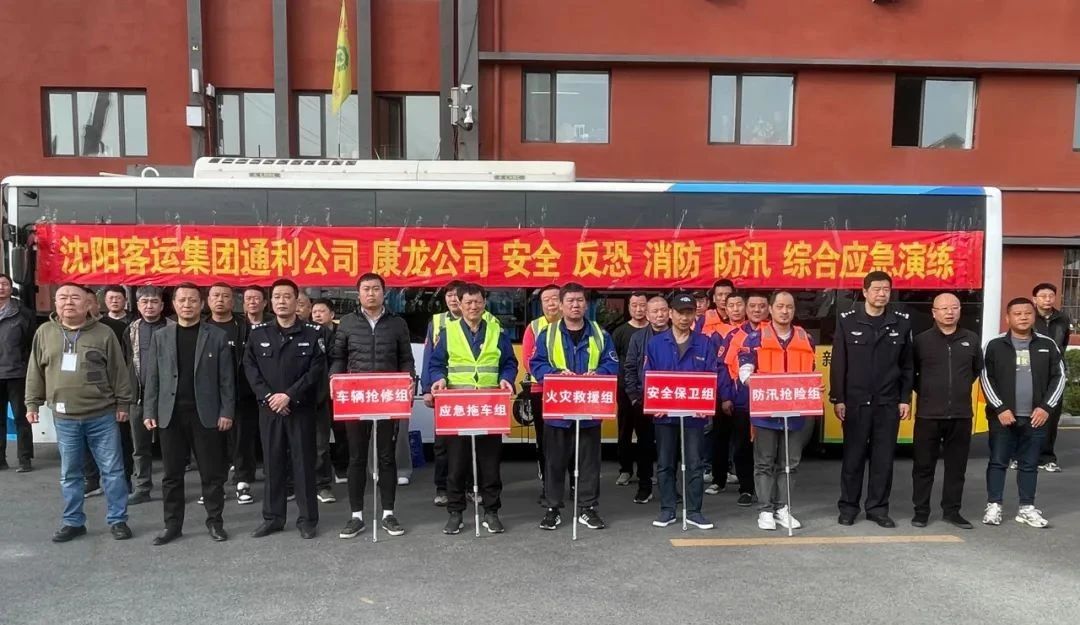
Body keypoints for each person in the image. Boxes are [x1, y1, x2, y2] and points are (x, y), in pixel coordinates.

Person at [25, 283, 134, 543]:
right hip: (65, 418)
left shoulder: (104, 333)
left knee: (113, 471)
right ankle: (73, 521)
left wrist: (123, 404)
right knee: (70, 473)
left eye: (75, 298)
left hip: (102, 415)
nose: (68, 302)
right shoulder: (45, 332)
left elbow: (119, 370)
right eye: (62, 297)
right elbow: (35, 370)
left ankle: (118, 519)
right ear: (55, 303)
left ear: (88, 304)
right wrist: (32, 404)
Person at [143, 283, 235, 545]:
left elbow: (226, 379)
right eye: (182, 300)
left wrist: (227, 411)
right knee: (172, 476)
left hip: (206, 414)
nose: (187, 305)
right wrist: (149, 409)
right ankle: (172, 525)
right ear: (174, 304)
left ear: (201, 304)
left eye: (193, 300)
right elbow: (152, 377)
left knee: (211, 474)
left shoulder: (216, 336)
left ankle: (215, 522)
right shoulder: (161, 336)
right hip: (170, 414)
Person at [330, 273, 415, 539]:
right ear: (358, 294)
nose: (371, 293)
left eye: (376, 289)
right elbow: (338, 358)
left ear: (383, 293)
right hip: (356, 398)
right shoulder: (347, 323)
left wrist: (409, 380)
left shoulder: (397, 323)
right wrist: (334, 380)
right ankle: (356, 516)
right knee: (356, 457)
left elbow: (406, 359)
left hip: (387, 398)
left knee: (386, 456)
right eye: (366, 289)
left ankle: (388, 513)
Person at [429, 283, 518, 535]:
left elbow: (509, 362)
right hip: (458, 406)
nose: (473, 307)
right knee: (456, 463)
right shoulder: (448, 332)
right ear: (459, 303)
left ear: (484, 303)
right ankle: (455, 513)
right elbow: (436, 364)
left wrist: (506, 379)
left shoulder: (496, 331)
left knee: (490, 463)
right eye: (468, 302)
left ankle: (491, 511)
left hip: (489, 406)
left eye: (478, 302)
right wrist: (439, 379)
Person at [243, 279, 329, 539]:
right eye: (277, 297)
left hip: (300, 409)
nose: (282, 301)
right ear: (271, 302)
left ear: (296, 301)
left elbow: (316, 370)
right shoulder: (258, 333)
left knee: (304, 464)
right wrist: (271, 397)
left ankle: (308, 519)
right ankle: (273, 518)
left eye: (287, 296)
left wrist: (289, 396)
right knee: (273, 464)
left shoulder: (313, 333)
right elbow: (251, 369)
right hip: (270, 410)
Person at [531, 283, 619, 531]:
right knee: (554, 462)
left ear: (586, 305)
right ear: (560, 305)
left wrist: (599, 373)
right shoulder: (547, 334)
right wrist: (556, 374)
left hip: (589, 408)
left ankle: (587, 508)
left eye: (580, 300)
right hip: (558, 409)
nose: (575, 305)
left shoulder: (601, 334)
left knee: (589, 462)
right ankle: (553, 509)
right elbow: (536, 364)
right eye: (570, 301)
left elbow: (612, 363)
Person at [831, 271, 914, 528]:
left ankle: (877, 508)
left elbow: (907, 365)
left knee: (883, 459)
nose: (881, 294)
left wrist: (905, 398)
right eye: (876, 289)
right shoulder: (847, 320)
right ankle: (848, 507)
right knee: (853, 458)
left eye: (886, 289)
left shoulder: (900, 323)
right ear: (865, 292)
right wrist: (838, 398)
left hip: (888, 403)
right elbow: (839, 362)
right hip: (856, 402)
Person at [980, 298, 1065, 528]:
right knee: (998, 462)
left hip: (1036, 417)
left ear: (1034, 316)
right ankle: (994, 505)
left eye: (1027, 313)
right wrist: (1000, 408)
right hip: (1003, 417)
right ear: (1007, 318)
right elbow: (986, 378)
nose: (1023, 317)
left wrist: (1046, 407)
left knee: (1029, 464)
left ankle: (1026, 507)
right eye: (1017, 313)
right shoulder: (994, 345)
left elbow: (1059, 377)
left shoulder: (1047, 344)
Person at [737, 291, 818, 532]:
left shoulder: (806, 338)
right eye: (780, 306)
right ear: (770, 310)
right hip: (766, 411)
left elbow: (812, 371)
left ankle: (783, 507)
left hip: (795, 412)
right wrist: (761, 383)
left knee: (789, 463)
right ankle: (765, 510)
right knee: (764, 462)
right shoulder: (754, 338)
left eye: (789, 307)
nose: (785, 311)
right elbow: (744, 373)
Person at [644, 292, 717, 530]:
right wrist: (654, 404)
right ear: (671, 314)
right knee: (665, 463)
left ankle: (694, 511)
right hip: (665, 414)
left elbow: (712, 375)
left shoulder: (704, 343)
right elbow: (648, 376)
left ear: (695, 314)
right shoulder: (656, 344)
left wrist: (705, 406)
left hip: (695, 416)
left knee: (694, 463)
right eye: (680, 313)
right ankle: (667, 509)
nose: (684, 318)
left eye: (689, 313)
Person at [910, 292, 983, 530]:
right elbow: (912, 374)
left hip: (961, 415)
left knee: (956, 468)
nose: (949, 312)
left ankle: (952, 511)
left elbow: (975, 370)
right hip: (928, 415)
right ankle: (921, 512)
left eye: (954, 307)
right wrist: (929, 392)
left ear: (960, 311)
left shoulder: (971, 339)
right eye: (943, 308)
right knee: (923, 467)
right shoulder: (921, 341)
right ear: (934, 312)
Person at [205, 282, 257, 505]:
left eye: (225, 296)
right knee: (212, 442)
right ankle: (214, 485)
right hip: (209, 395)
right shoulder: (202, 327)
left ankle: (243, 482)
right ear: (208, 300)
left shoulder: (244, 326)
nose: (220, 300)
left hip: (241, 393)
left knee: (242, 439)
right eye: (216, 296)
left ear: (233, 301)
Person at [124, 285, 172, 505]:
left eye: (154, 302)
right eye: (144, 302)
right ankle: (143, 486)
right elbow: (125, 362)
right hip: (139, 397)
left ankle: (172, 487)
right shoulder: (131, 330)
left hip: (169, 397)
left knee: (172, 446)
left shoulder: (173, 328)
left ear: (162, 305)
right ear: (138, 305)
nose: (149, 306)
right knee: (140, 448)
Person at [712, 291, 760, 504]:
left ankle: (768, 490)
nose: (756, 310)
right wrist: (726, 396)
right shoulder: (733, 336)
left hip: (768, 400)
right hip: (740, 399)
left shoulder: (771, 332)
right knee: (741, 445)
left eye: (761, 306)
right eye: (731, 305)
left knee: (766, 448)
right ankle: (745, 488)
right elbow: (722, 367)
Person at [421, 279, 465, 506]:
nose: (453, 299)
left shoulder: (482, 320)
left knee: (470, 441)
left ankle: (468, 486)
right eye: (449, 295)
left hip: (470, 392)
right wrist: (426, 389)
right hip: (444, 391)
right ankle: (442, 488)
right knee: (442, 443)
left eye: (457, 295)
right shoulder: (437, 322)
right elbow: (429, 357)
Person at [621, 295, 669, 505]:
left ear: (670, 313)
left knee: (669, 448)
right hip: (644, 400)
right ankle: (644, 486)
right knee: (645, 445)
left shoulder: (678, 335)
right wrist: (634, 397)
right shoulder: (638, 337)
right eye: (655, 311)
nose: (659, 315)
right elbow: (630, 367)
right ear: (648, 315)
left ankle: (670, 489)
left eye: (663, 310)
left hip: (671, 399)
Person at [520, 283, 562, 494]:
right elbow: (528, 360)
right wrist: (554, 378)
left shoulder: (573, 325)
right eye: (546, 300)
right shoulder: (534, 327)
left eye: (555, 298)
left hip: (569, 393)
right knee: (545, 439)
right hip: (541, 391)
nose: (551, 303)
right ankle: (548, 485)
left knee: (571, 439)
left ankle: (573, 485)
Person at [1031, 282, 1072, 472]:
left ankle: (1047, 457)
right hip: (1032, 370)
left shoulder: (1062, 318)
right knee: (1027, 414)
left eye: (1051, 296)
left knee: (1051, 415)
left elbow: (1063, 343)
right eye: (1043, 296)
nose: (1047, 299)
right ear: (1035, 299)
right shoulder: (1028, 316)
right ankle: (1022, 455)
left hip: (1055, 371)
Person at [612, 291, 649, 487]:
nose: (639, 309)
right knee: (624, 430)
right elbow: (614, 360)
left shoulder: (654, 331)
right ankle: (625, 470)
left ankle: (646, 472)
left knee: (646, 433)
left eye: (642, 305)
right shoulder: (620, 332)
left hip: (648, 390)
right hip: (625, 389)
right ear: (628, 308)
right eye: (634, 305)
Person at [311, 298, 347, 497]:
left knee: (342, 433)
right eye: (314, 311)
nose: (317, 315)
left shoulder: (341, 333)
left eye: (321, 311)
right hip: (317, 393)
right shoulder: (309, 333)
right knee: (320, 441)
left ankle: (341, 468)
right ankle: (320, 481)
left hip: (339, 391)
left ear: (332, 314)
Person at [0, 273, 36, 472]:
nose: (1, 288)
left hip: (17, 373)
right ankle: (0, 459)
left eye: (4, 284)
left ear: (10, 287)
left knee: (22, 417)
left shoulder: (23, 313)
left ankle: (25, 459)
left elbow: (31, 344)